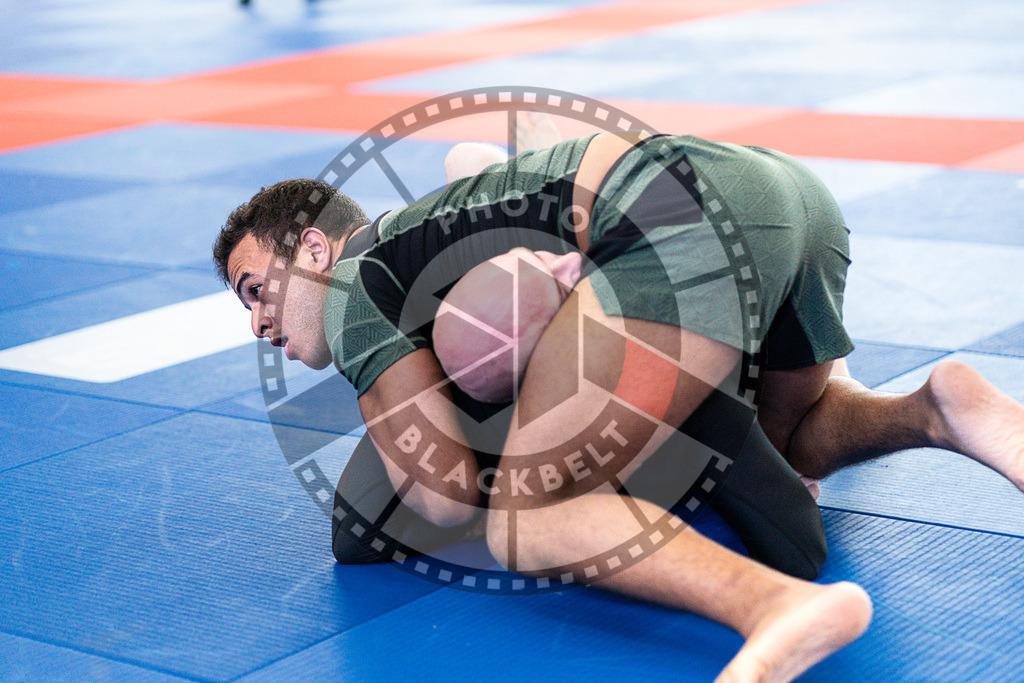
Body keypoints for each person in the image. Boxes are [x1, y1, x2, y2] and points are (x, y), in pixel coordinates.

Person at [213, 119, 1024, 681]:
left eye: (257, 290)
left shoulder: (357, 287)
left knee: (526, 516)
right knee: (801, 441)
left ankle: (776, 607)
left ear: (316, 248)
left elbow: (442, 490)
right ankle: (937, 406)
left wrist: (457, 411)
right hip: (785, 193)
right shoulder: (433, 238)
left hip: (677, 221)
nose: (257, 322)